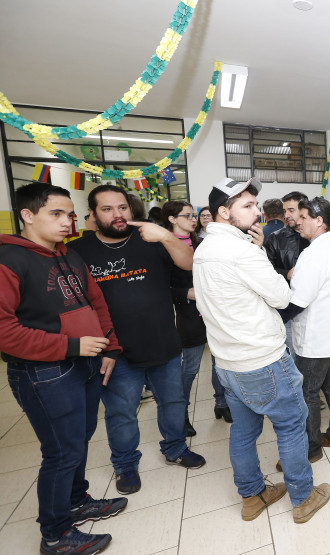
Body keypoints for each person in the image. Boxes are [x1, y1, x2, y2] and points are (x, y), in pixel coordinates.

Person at [193, 177, 330, 524]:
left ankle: (252, 497)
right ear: (224, 212)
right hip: (263, 361)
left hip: (228, 362)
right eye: (247, 206)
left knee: (243, 431)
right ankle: (303, 498)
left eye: (256, 204)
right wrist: (257, 252)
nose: (257, 212)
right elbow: (282, 297)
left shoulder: (204, 248)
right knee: (292, 427)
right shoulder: (242, 252)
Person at [0, 182, 127, 555]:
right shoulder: (9, 260)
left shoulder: (69, 254)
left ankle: (75, 501)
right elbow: (5, 332)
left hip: (85, 363)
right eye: (56, 213)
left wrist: (109, 347)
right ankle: (55, 535)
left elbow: (96, 303)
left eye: (70, 215)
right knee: (60, 452)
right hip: (44, 373)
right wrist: (72, 345)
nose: (66, 222)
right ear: (27, 215)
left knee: (78, 440)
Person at [69, 185, 205, 496]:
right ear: (93, 214)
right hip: (116, 351)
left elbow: (189, 263)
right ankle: (125, 464)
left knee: (173, 402)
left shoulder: (150, 238)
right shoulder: (79, 251)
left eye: (122, 207)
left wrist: (166, 235)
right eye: (107, 209)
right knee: (121, 412)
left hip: (163, 343)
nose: (117, 214)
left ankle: (175, 448)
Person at [283, 197, 330, 466]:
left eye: (303, 217)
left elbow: (298, 301)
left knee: (307, 392)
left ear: (319, 221)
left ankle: (310, 448)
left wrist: (275, 320)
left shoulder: (315, 252)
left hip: (316, 338)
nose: (298, 221)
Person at [162, 201, 230, 437]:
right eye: (187, 215)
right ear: (172, 219)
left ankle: (221, 403)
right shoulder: (163, 247)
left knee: (220, 362)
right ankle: (181, 415)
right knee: (190, 368)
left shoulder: (200, 243)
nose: (194, 219)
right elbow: (159, 287)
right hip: (189, 315)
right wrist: (184, 293)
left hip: (213, 312)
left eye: (194, 215)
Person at [264, 191, 310, 356]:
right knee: (293, 355)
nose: (286, 215)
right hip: (288, 306)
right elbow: (265, 270)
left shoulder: (316, 238)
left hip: (314, 308)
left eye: (291, 210)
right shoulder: (275, 238)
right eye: (285, 211)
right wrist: (286, 273)